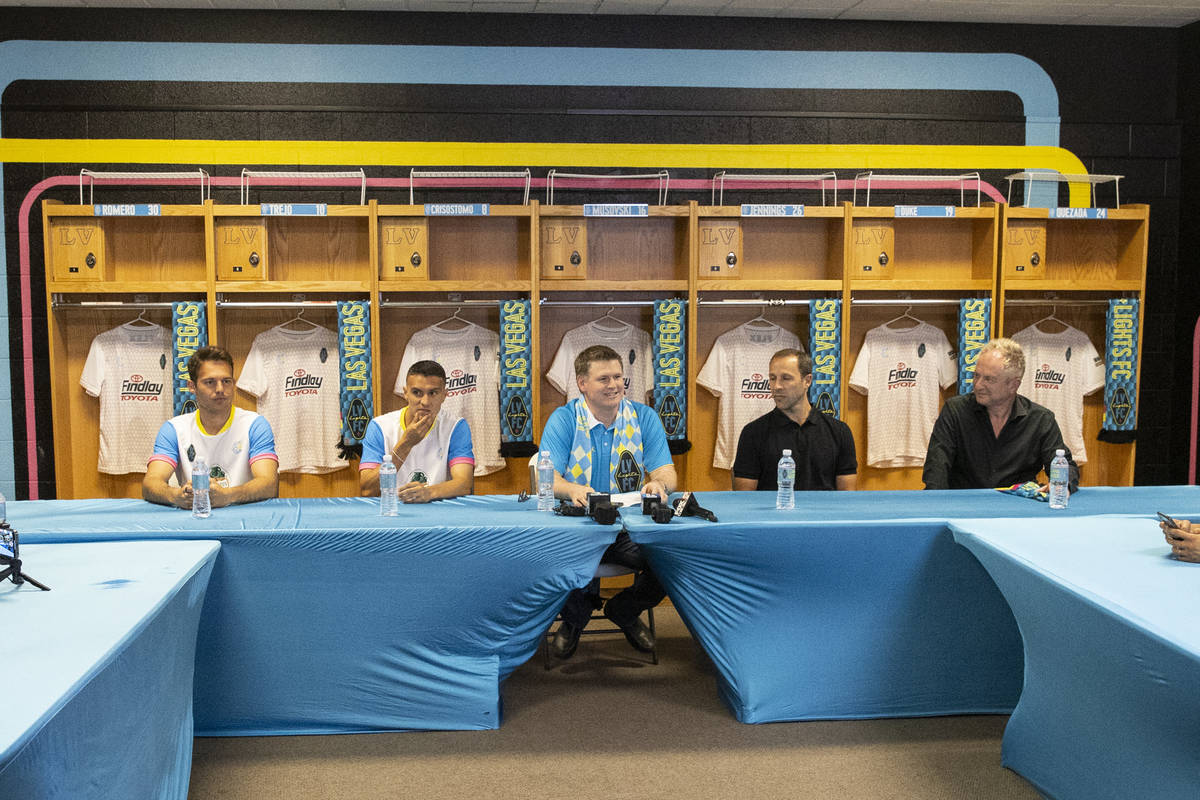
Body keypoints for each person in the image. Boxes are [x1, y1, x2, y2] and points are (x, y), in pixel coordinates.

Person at [540, 344, 677, 659]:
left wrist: (659, 483)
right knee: (543, 561)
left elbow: (667, 472)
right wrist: (572, 489)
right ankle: (575, 619)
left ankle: (624, 611)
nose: (614, 384)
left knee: (673, 561)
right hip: (577, 525)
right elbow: (547, 479)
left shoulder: (644, 417)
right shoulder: (563, 419)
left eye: (618, 377)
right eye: (604, 378)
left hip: (627, 527)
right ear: (582, 383)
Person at [923, 337, 1079, 491]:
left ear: (1013, 385)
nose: (978, 385)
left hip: (1018, 507)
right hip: (964, 506)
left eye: (989, 379)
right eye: (976, 375)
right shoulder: (954, 411)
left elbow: (1065, 465)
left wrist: (1061, 486)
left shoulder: (1041, 419)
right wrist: (939, 505)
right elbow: (936, 470)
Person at [143, 346, 279, 508]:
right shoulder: (174, 429)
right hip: (196, 520)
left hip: (246, 523)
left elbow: (269, 484)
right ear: (192, 386)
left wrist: (228, 496)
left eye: (226, 381)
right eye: (210, 382)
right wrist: (176, 496)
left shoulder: (255, 425)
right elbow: (151, 483)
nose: (220, 389)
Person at [732, 348, 857, 491]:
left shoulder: (839, 432)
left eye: (786, 378)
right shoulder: (753, 433)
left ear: (807, 381)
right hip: (772, 513)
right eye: (772, 378)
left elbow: (847, 498)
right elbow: (745, 500)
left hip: (823, 513)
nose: (776, 386)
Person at [359, 360, 474, 503]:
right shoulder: (380, 426)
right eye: (417, 393)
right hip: (392, 512)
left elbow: (464, 484)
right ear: (406, 393)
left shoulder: (456, 426)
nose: (425, 402)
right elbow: (367, 490)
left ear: (444, 395)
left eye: (433, 393)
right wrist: (406, 443)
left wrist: (428, 493)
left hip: (438, 512)